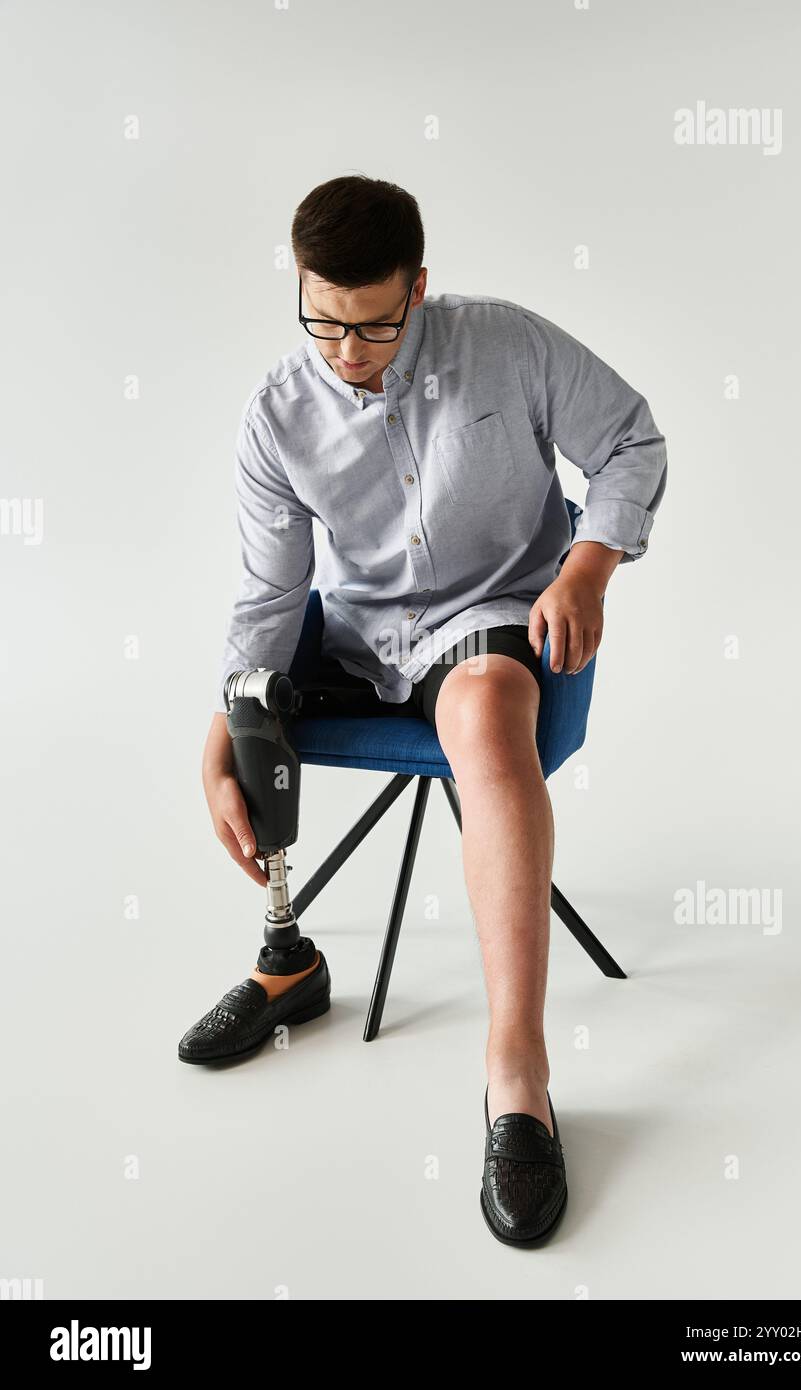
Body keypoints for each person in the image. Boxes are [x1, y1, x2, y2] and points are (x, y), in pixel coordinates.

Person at [179, 174, 668, 1245]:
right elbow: (270, 597)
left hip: (487, 613)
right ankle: (288, 963)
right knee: (250, 714)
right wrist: (218, 735)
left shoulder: (507, 343)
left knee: (489, 709)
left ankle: (516, 1075)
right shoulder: (275, 414)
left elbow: (631, 441)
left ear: (419, 287)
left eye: (372, 323)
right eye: (320, 320)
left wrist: (588, 565)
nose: (345, 349)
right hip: (358, 632)